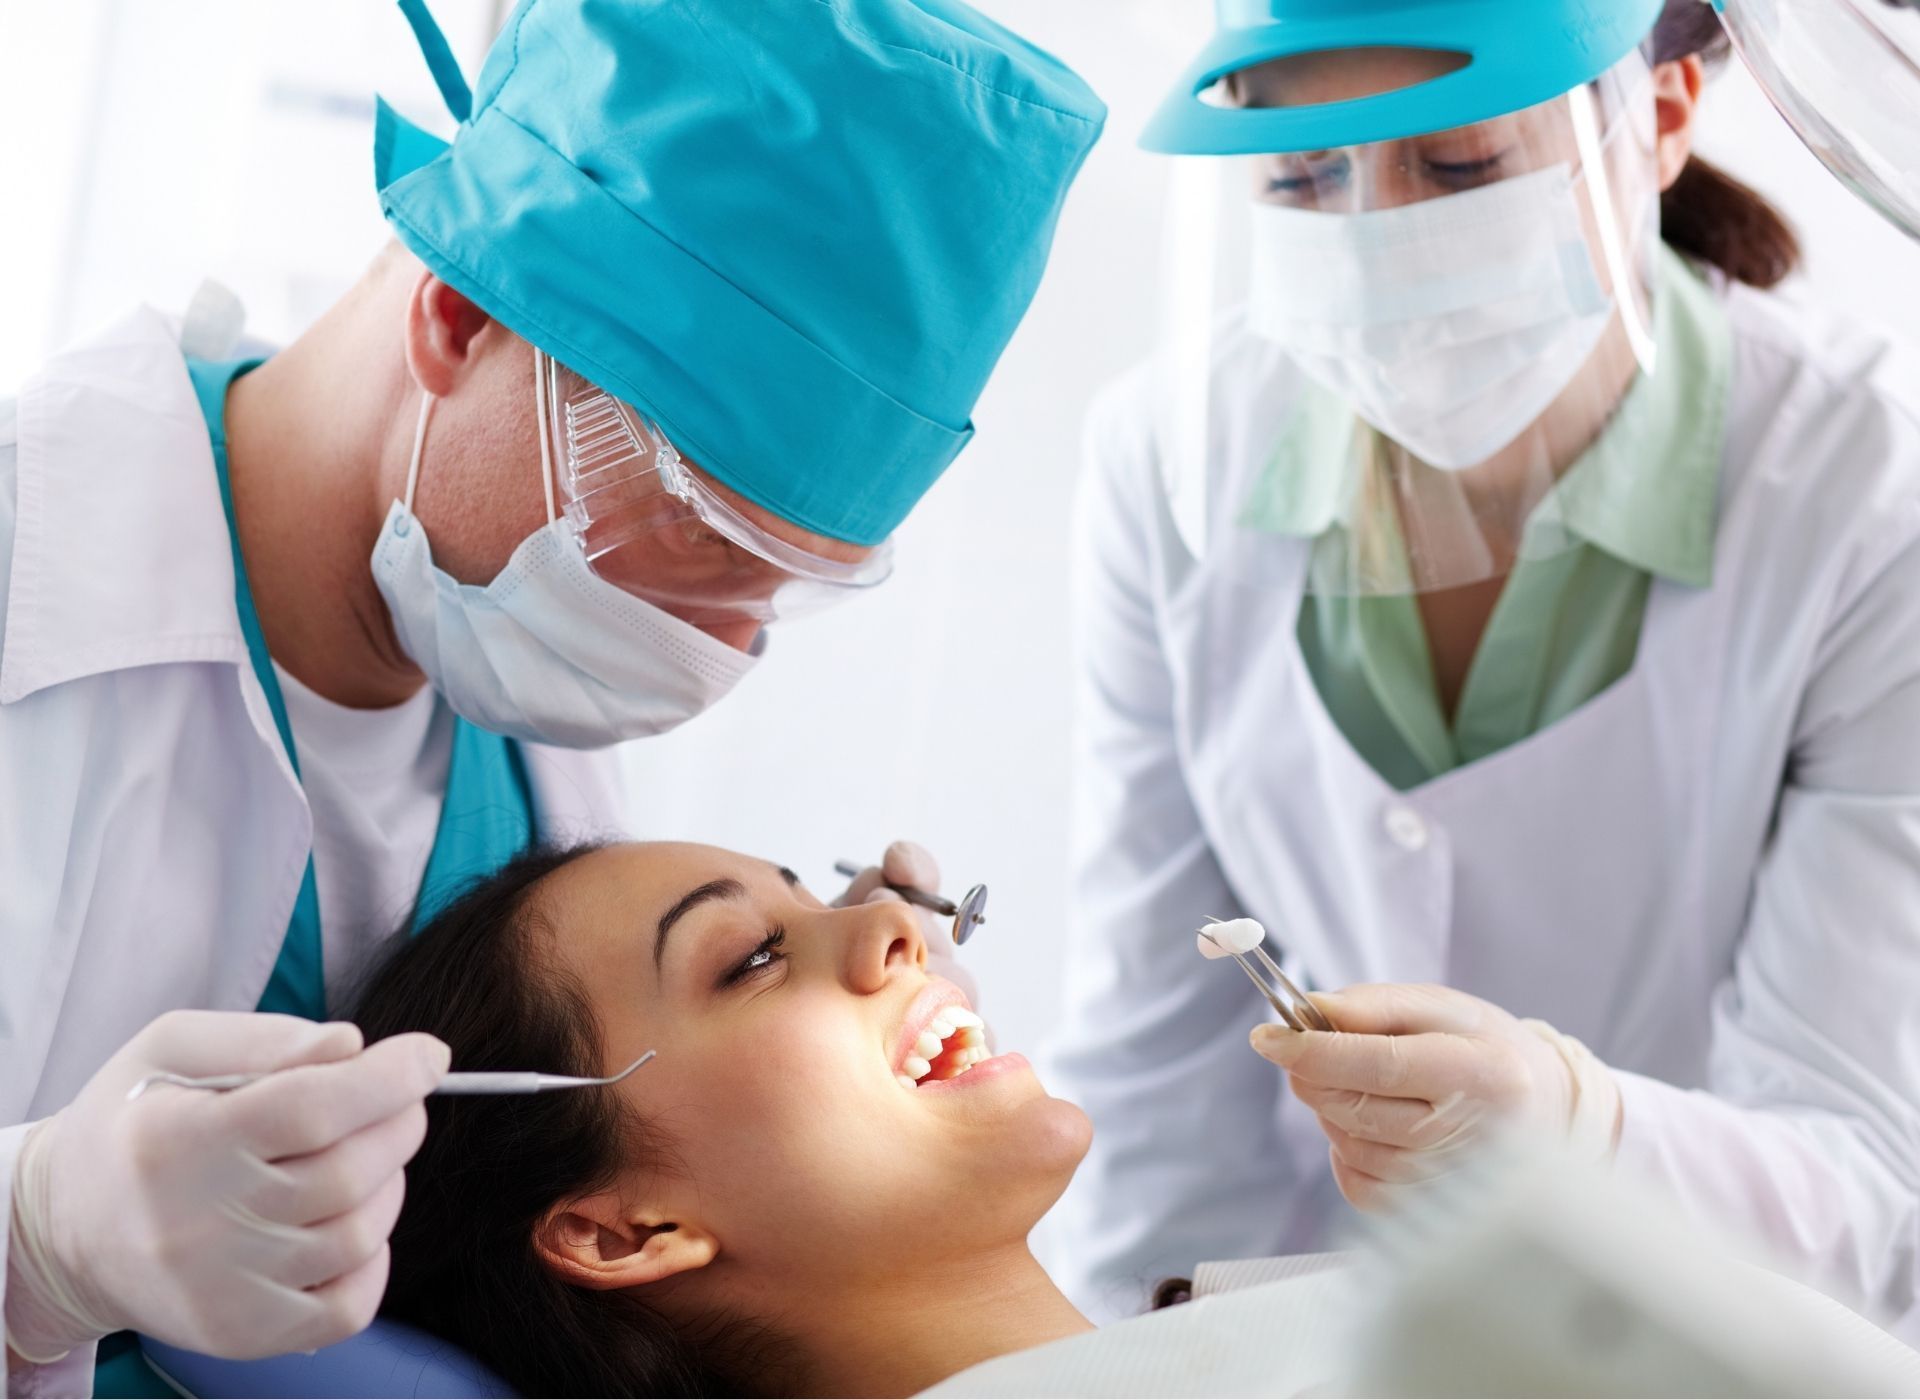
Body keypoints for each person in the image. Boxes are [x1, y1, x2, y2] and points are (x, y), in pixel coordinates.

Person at [0, 0, 1104, 1391]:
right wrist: (33, 1237)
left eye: (796, 580)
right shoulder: (35, 592)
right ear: (462, 316)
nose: (729, 646)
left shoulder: (503, 667)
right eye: (710, 534)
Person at [1048, 0, 1920, 1335]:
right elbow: (1162, 1093)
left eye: (1456, 166)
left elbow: (1865, 1192)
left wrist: (1571, 1126)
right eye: (1298, 171)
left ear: (1667, 114)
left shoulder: (1871, 501)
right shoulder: (1169, 464)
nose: (1372, 239)